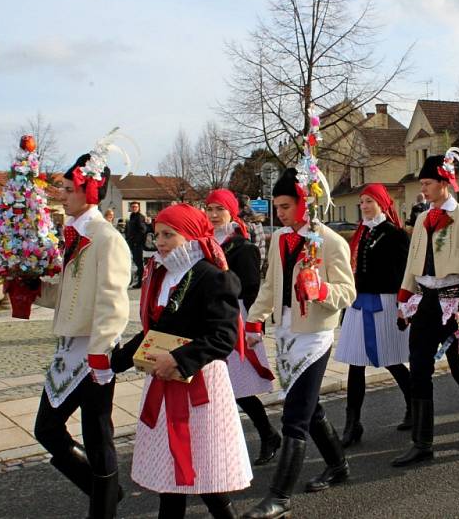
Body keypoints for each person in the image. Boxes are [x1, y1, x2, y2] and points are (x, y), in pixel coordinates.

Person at [111, 203, 251, 519]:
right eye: (157, 234)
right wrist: (116, 360)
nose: (159, 241)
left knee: (200, 471)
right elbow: (156, 329)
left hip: (199, 385)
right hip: (164, 380)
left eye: (168, 234)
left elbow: (222, 337)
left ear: (189, 235)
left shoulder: (212, 276)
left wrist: (178, 359)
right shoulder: (163, 275)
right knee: (171, 473)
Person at [241, 168, 356, 519]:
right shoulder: (279, 240)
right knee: (308, 406)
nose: (280, 213)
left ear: (305, 203)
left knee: (295, 416)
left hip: (316, 335)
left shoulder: (330, 242)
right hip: (287, 334)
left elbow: (347, 292)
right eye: (277, 207)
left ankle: (280, 497)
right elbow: (272, 285)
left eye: (286, 206)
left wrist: (321, 290)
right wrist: (254, 318)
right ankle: (337, 465)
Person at [30, 143, 132, 519]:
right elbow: (66, 293)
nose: (63, 196)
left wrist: (102, 351)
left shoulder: (107, 239)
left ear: (89, 191)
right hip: (68, 347)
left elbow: (113, 301)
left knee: (97, 432)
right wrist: (31, 288)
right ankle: (105, 492)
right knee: (47, 429)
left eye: (69, 190)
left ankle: (102, 510)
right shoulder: (73, 235)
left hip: (94, 351)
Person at [393, 150, 459, 467]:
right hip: (425, 303)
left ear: (445, 182)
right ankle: (423, 442)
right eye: (421, 183)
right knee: (418, 368)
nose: (423, 189)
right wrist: (403, 300)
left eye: (427, 183)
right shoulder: (422, 218)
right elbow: (412, 261)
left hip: (454, 303)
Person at [205, 189, 280, 467]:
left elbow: (252, 290)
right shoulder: (203, 243)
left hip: (236, 317)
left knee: (239, 387)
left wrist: (254, 327)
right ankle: (223, 443)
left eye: (219, 210)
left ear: (231, 212)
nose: (213, 215)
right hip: (209, 318)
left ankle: (268, 433)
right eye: (209, 209)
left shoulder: (242, 247)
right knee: (214, 386)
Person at [336, 184, 412, 447]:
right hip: (358, 304)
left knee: (391, 360)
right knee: (355, 364)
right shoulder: (363, 234)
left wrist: (405, 306)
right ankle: (352, 423)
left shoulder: (397, 235)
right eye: (362, 202)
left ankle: (414, 404)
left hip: (385, 303)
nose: (365, 206)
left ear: (382, 204)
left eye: (369, 201)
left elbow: (404, 274)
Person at [126, 201, 148, 289]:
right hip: (132, 243)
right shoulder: (132, 216)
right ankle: (139, 282)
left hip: (137, 244)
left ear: (138, 208)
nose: (134, 208)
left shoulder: (139, 217)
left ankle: (140, 282)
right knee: (136, 262)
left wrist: (136, 242)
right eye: (133, 207)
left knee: (139, 263)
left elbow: (143, 230)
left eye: (136, 207)